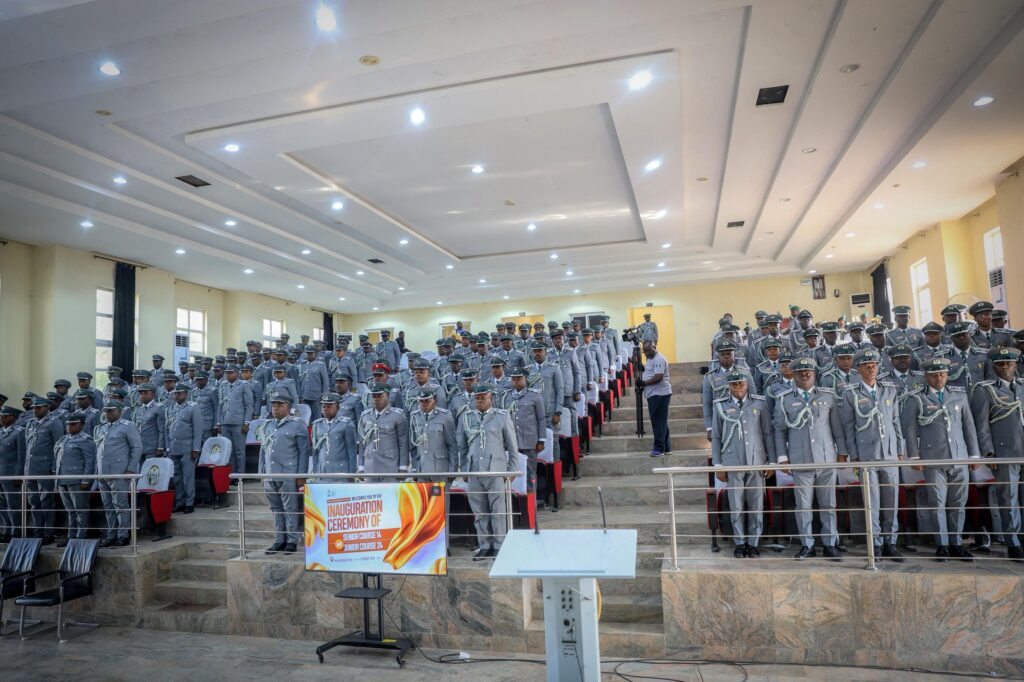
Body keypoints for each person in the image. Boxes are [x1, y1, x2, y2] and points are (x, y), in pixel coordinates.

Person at [901, 357, 982, 561]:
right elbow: (909, 429)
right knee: (937, 502)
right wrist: (914, 456)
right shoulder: (916, 398)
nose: (939, 378)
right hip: (933, 459)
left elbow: (969, 427)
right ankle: (942, 544)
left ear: (947, 375)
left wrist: (973, 454)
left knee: (958, 502)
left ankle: (956, 544)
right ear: (926, 376)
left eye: (942, 374)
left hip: (959, 457)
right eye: (934, 375)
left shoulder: (959, 396)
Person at [773, 358, 846, 560]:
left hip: (826, 459)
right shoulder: (784, 399)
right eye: (800, 372)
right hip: (801, 460)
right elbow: (779, 431)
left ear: (814, 373)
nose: (805, 374)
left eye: (808, 371)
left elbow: (837, 428)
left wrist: (842, 452)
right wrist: (782, 458)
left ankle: (830, 544)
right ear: (794, 375)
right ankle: (807, 545)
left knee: (828, 504)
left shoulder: (827, 396)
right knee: (803, 506)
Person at [840, 349, 905, 562]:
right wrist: (854, 456)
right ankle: (875, 544)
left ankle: (890, 543)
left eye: (874, 364)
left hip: (889, 454)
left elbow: (895, 421)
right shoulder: (851, 393)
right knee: (872, 503)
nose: (871, 367)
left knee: (891, 502)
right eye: (866, 364)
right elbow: (849, 427)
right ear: (858, 369)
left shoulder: (889, 390)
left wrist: (900, 450)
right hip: (866, 455)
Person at [710, 370, 774, 558]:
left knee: (756, 504)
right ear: (728, 386)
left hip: (756, 461)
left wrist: (770, 462)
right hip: (733, 462)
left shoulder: (759, 403)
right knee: (736, 505)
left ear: (747, 384)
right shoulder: (720, 405)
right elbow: (716, 437)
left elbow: (767, 434)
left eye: (741, 383)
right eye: (734, 384)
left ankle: (753, 543)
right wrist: (718, 465)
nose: (738, 387)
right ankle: (739, 542)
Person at [970, 347, 1024, 561]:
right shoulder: (985, 390)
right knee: (1008, 499)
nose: (1005, 367)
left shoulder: (1022, 386)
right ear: (993, 366)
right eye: (1000, 364)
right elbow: (981, 424)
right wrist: (988, 452)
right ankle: (1013, 543)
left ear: (1015, 364)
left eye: (1009, 363)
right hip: (1005, 452)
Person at [457, 384, 519, 560]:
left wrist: (512, 470)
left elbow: (512, 446)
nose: (479, 400)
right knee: (479, 512)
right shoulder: (467, 417)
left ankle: (499, 545)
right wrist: (465, 470)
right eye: (477, 398)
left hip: (496, 470)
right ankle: (484, 545)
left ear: (490, 397)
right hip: (475, 471)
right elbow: (462, 446)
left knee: (498, 510)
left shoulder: (501, 416)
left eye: (483, 397)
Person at [258, 393, 310, 554]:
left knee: (290, 508)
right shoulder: (267, 425)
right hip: (270, 473)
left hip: (288, 473)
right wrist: (261, 473)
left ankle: (292, 540)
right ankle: (279, 539)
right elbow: (262, 450)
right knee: (276, 509)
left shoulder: (297, 425)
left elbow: (304, 452)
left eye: (280, 405)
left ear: (288, 407)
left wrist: (301, 475)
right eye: (274, 405)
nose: (275, 408)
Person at [93, 400, 143, 547]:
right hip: (102, 473)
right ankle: (111, 534)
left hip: (119, 472)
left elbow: (137, 447)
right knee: (108, 506)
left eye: (111, 411)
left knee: (120, 505)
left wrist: (131, 468)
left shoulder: (128, 426)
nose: (107, 413)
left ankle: (123, 535)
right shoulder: (100, 428)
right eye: (106, 411)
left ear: (120, 411)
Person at [24, 396, 64, 544]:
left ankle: (48, 532)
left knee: (46, 501)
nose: (35, 410)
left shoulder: (54, 422)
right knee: (34, 501)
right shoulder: (30, 423)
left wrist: (54, 468)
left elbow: (58, 447)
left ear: (46, 407)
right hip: (30, 468)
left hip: (45, 468)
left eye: (38, 407)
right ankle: (38, 530)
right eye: (34, 408)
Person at [54, 413, 96, 546]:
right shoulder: (63, 439)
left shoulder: (86, 440)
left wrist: (85, 480)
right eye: (68, 424)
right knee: (70, 510)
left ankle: (81, 535)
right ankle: (71, 535)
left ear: (81, 425)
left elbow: (90, 462)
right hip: (62, 479)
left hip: (77, 480)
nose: (70, 427)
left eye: (74, 424)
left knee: (80, 510)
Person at [356, 382, 410, 478]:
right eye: (374, 396)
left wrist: (403, 466)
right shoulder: (365, 416)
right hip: (370, 465)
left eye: (380, 395)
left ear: (388, 396)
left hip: (390, 465)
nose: (376, 399)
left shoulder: (397, 415)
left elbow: (403, 443)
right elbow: (362, 443)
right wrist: (361, 467)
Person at [164, 384, 203, 513]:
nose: (177, 395)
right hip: (173, 447)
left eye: (179, 393)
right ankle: (180, 501)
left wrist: (196, 448)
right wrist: (167, 447)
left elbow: (198, 430)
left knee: (188, 477)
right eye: (175, 393)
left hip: (187, 447)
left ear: (186, 394)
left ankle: (189, 502)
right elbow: (166, 429)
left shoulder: (192, 408)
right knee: (177, 478)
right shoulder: (170, 408)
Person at [508, 366, 546, 493]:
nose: (516, 381)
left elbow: (541, 419)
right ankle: (516, 501)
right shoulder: (507, 396)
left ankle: (531, 501)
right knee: (513, 473)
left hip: (530, 441)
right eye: (513, 379)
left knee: (530, 473)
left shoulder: (534, 396)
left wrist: (541, 440)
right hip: (512, 441)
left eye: (519, 378)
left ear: (525, 379)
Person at [408, 388, 457, 476]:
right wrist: (414, 469)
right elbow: (413, 448)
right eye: (421, 401)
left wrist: (452, 471)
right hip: (421, 468)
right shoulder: (414, 416)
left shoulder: (445, 416)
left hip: (440, 468)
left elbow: (452, 445)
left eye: (427, 401)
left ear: (435, 400)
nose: (424, 404)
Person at [310, 393, 358, 477]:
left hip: (340, 472)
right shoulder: (317, 425)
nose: (325, 409)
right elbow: (315, 452)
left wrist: (352, 475)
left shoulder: (346, 424)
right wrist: (315, 471)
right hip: (322, 472)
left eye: (329, 406)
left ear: (338, 408)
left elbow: (352, 452)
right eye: (323, 406)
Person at [638, 340, 672, 457]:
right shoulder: (651, 358)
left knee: (658, 423)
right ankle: (667, 447)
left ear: (654, 347)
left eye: (648, 351)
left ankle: (659, 449)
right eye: (644, 351)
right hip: (654, 394)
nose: (646, 353)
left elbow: (658, 377)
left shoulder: (659, 359)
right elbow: (651, 371)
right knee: (661, 422)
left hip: (659, 394)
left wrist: (644, 383)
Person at [217, 365, 253, 475]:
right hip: (225, 422)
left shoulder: (244, 385)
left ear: (237, 373)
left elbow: (249, 405)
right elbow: (220, 405)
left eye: (230, 372)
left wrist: (246, 422)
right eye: (227, 372)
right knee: (229, 451)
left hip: (238, 423)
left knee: (239, 451)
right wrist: (218, 422)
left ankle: (240, 475)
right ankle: (232, 475)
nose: (228, 374)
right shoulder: (223, 385)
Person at [0, 406, 26, 542]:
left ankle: (15, 531)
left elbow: (22, 457)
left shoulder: (19, 432)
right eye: (1, 416)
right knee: (2, 505)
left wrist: (18, 475)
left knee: (13, 505)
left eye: (5, 416)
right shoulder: (0, 432)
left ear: (13, 416)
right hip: (1, 474)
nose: (2, 418)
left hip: (11, 474)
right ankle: (5, 530)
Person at [131, 383, 165, 459]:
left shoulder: (158, 408)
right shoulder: (138, 408)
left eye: (146, 393)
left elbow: (162, 430)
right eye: (141, 393)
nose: (143, 395)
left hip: (152, 448)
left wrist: (160, 447)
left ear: (153, 394)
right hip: (139, 447)